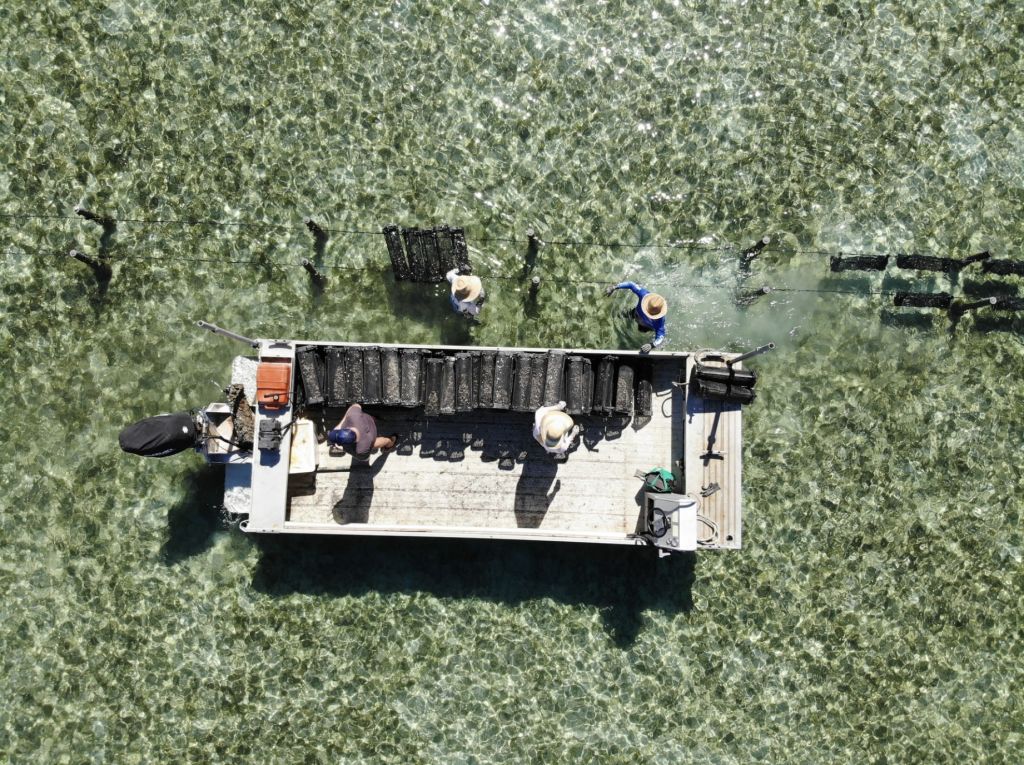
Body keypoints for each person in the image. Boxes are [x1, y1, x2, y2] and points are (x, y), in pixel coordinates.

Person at [604, 281, 667, 352]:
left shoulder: (660, 321)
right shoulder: (644, 295)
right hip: (635, 313)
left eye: (650, 314)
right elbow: (630, 284)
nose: (647, 314)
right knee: (617, 315)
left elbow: (661, 337)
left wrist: (652, 345)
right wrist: (614, 287)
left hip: (646, 326)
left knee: (641, 330)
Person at [328, 403, 397, 462]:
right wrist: (343, 422)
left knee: (369, 452)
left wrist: (342, 448)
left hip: (372, 437)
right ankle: (390, 442)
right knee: (370, 423)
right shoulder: (353, 415)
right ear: (348, 429)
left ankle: (389, 443)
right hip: (368, 420)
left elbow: (363, 457)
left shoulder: (361, 449)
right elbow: (356, 405)